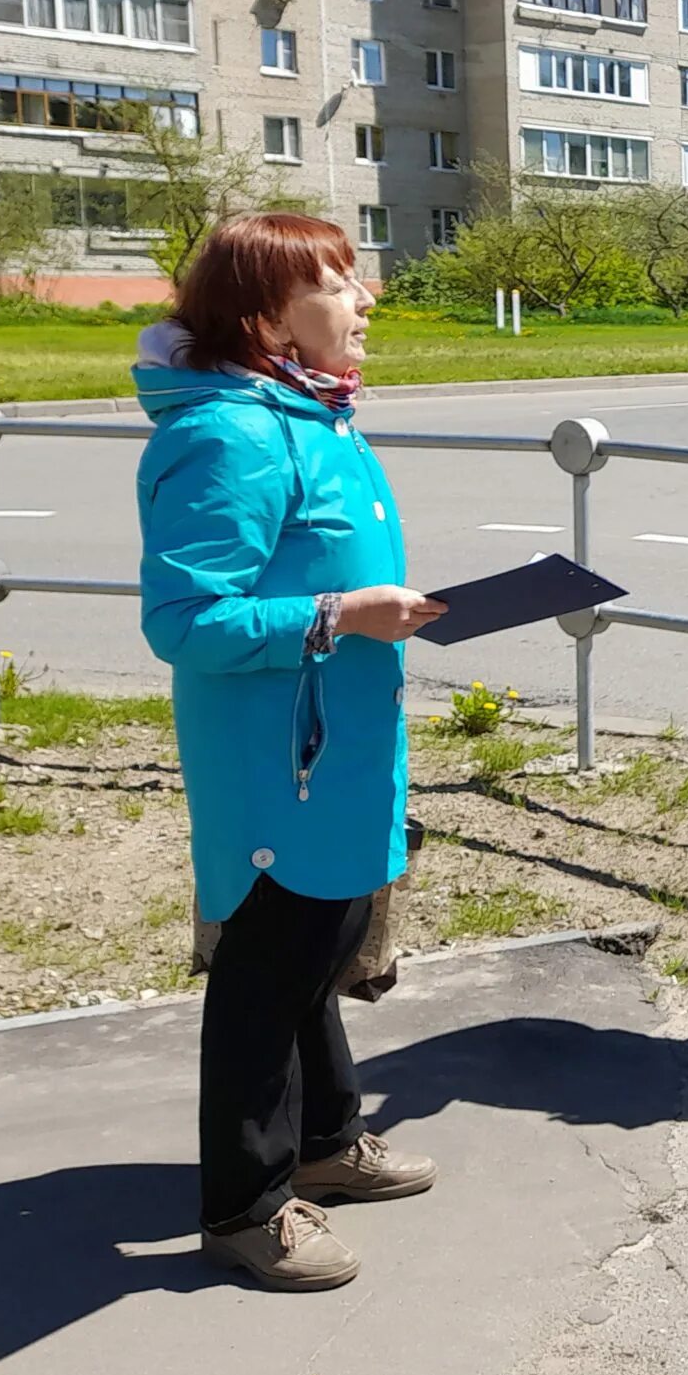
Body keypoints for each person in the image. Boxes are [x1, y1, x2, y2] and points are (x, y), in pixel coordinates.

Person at [135, 213, 444, 1292]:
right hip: (278, 768)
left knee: (324, 948)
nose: (367, 304)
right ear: (269, 320)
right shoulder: (227, 434)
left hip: (344, 748)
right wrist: (339, 611)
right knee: (268, 979)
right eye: (342, 285)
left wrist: (361, 612)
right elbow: (184, 621)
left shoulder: (314, 417)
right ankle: (245, 1205)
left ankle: (323, 1143)